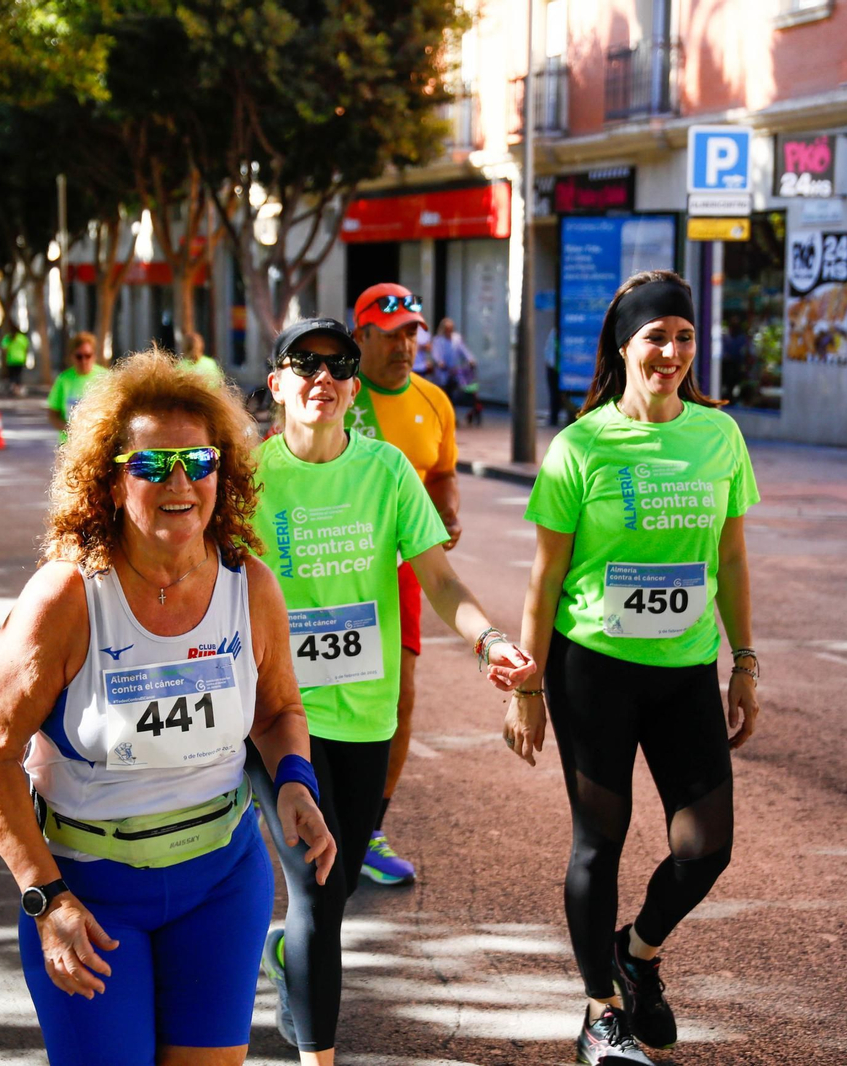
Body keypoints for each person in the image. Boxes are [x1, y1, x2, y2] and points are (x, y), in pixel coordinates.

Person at [0, 348, 336, 1065]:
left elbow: (278, 709)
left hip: (221, 886)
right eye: (151, 466)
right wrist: (47, 898)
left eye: (198, 463)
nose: (179, 483)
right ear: (108, 483)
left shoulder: (249, 585)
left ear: (221, 475)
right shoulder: (67, 598)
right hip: (91, 897)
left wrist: (294, 781)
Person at [253, 317, 533, 1063]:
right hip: (276, 716)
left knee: (336, 883)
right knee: (316, 890)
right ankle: (320, 1055)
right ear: (276, 383)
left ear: (353, 386)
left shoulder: (386, 472)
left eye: (337, 364)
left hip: (364, 711)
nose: (322, 377)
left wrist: (489, 640)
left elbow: (439, 579)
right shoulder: (248, 479)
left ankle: (287, 960)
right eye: (302, 364)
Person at [506, 269, 761, 1066]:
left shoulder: (719, 436)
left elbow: (731, 555)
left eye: (684, 337)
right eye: (657, 337)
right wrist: (529, 687)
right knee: (598, 844)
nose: (672, 352)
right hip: (595, 673)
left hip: (686, 670)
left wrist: (743, 662)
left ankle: (639, 950)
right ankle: (600, 1010)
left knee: (705, 847)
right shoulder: (580, 446)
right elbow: (544, 578)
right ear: (624, 347)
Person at [345, 283, 461, 886]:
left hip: (399, 573)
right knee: (303, 696)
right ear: (360, 335)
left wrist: (449, 512)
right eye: (390, 334)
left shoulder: (434, 401)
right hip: (325, 571)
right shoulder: (335, 394)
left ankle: (367, 830)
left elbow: (441, 475)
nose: (404, 344)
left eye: (411, 332)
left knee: (400, 698)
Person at [48, 332, 108, 444]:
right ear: (72, 356)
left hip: (97, 444)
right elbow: (53, 414)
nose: (84, 361)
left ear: (94, 356)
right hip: (69, 444)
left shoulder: (105, 377)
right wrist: (69, 429)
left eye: (88, 356)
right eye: (79, 356)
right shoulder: (63, 379)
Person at [429, 317, 475, 404]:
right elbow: (436, 353)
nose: (449, 331)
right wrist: (440, 362)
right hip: (442, 371)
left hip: (453, 370)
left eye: (451, 329)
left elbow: (463, 350)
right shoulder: (438, 340)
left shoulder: (456, 339)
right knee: (442, 391)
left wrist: (470, 359)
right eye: (447, 329)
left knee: (454, 392)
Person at [3, 327, 30, 396]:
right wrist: (26, 358)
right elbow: (26, 348)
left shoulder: (8, 337)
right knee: (18, 375)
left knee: (12, 375)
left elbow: (4, 349)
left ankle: (14, 388)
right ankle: (17, 389)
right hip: (20, 359)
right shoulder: (22, 338)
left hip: (11, 359)